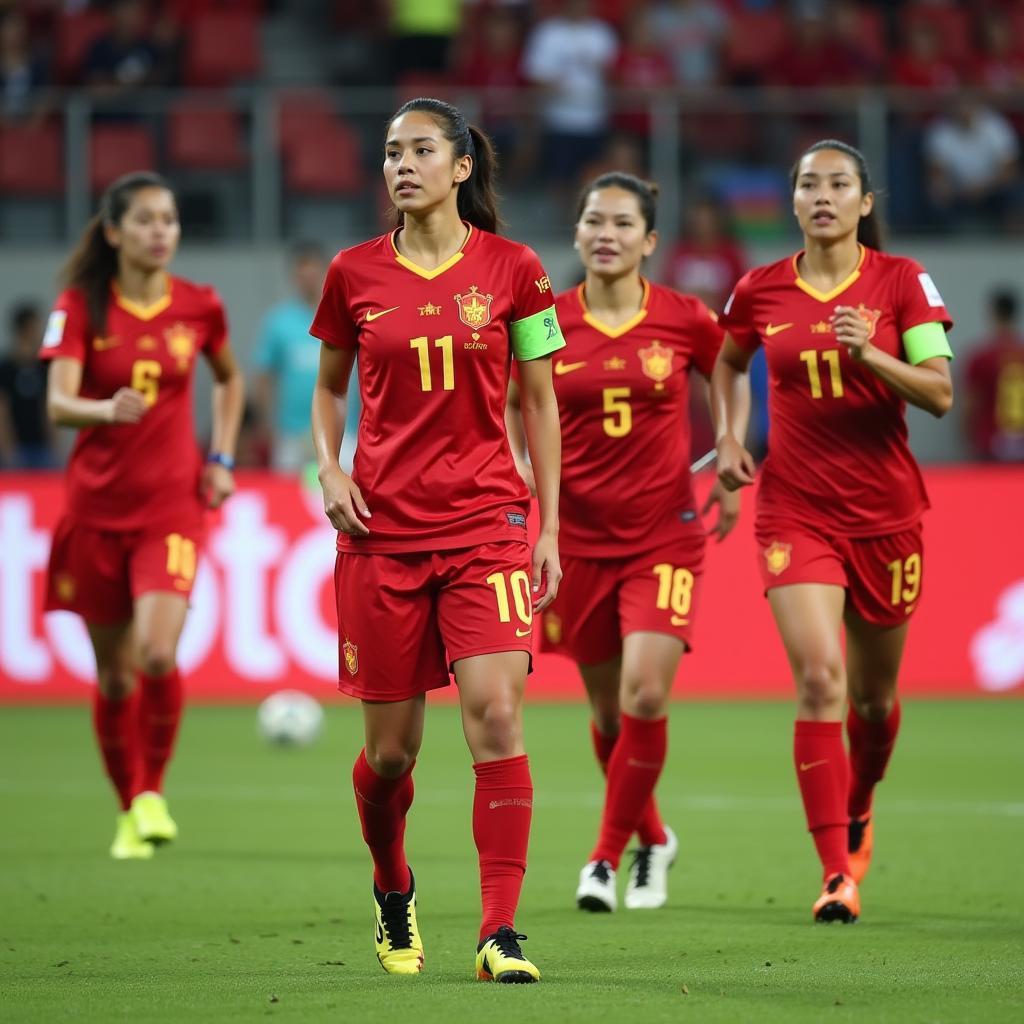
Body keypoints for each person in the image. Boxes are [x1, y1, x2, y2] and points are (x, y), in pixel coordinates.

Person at [310, 97, 564, 983]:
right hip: (382, 537)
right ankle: (393, 887)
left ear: (462, 167)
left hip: (487, 525)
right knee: (391, 756)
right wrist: (330, 468)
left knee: (496, 715)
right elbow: (329, 389)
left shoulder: (517, 271)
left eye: (421, 150)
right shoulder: (350, 273)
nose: (402, 165)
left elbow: (538, 400)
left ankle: (500, 932)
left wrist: (549, 526)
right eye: (390, 152)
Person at [713, 139, 954, 924]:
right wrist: (730, 437)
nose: (823, 195)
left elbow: (941, 393)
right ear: (792, 203)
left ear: (865, 202)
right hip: (794, 508)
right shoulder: (759, 288)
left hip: (886, 516)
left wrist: (873, 353)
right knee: (821, 679)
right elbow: (726, 363)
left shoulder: (900, 282)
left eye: (839, 183)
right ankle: (835, 872)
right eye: (809, 184)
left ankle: (860, 801)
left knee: (875, 704)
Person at [508, 172, 737, 913]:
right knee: (609, 716)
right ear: (576, 234)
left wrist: (730, 447)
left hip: (664, 536)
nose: (606, 234)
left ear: (650, 241)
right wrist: (518, 470)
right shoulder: (546, 320)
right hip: (574, 545)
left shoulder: (685, 317)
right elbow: (516, 402)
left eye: (622, 224)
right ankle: (655, 838)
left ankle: (605, 859)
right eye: (594, 222)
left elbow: (727, 368)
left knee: (644, 691)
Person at [40, 171, 245, 860]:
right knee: (116, 675)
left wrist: (220, 456)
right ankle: (127, 805)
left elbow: (230, 378)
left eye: (171, 219)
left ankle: (151, 792)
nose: (162, 231)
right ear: (114, 231)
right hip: (95, 513)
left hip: (171, 509)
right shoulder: (80, 307)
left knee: (158, 652)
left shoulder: (200, 305)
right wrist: (105, 408)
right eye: (147, 220)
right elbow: (57, 402)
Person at [254, 241, 360, 472]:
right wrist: (266, 425)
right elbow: (264, 377)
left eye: (313, 269)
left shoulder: (345, 316)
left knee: (347, 500)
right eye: (301, 272)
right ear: (293, 276)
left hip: (342, 433)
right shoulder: (279, 321)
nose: (308, 277)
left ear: (325, 271)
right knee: (287, 503)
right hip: (291, 434)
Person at [963, 287, 1024, 462]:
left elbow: (970, 405)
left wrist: (970, 441)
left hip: (991, 442)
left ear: (993, 313)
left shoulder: (981, 357)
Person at [0, 301, 56, 468]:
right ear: (24, 329)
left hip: (41, 448)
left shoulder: (43, 367)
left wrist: (53, 445)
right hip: (16, 448)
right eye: (35, 326)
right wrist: (8, 448)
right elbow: (2, 410)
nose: (39, 332)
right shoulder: (6, 368)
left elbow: (48, 407)